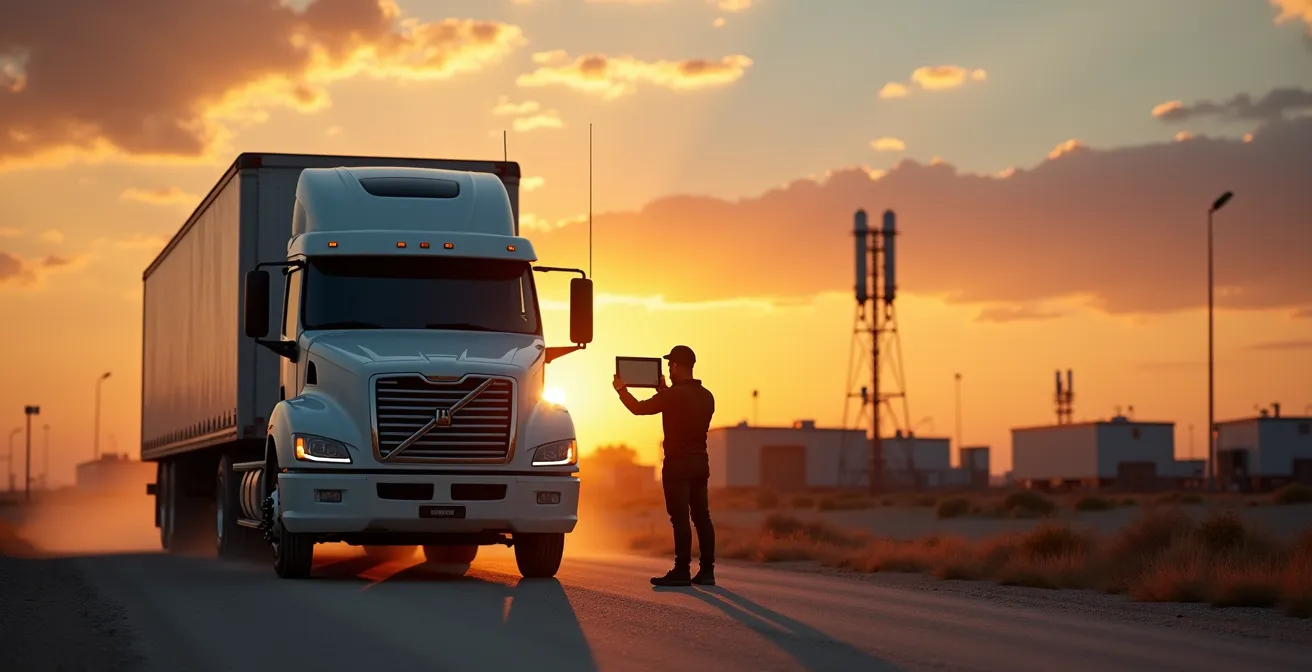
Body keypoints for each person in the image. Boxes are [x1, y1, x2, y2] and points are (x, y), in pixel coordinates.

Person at [613, 345, 716, 587]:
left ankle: (682, 571)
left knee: (680, 518)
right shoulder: (707, 396)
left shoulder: (672, 396)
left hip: (677, 465)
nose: (668, 369)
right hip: (701, 463)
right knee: (702, 517)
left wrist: (621, 390)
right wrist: (667, 392)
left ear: (677, 366)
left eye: (670, 365)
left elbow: (639, 408)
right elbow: (685, 410)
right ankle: (707, 571)